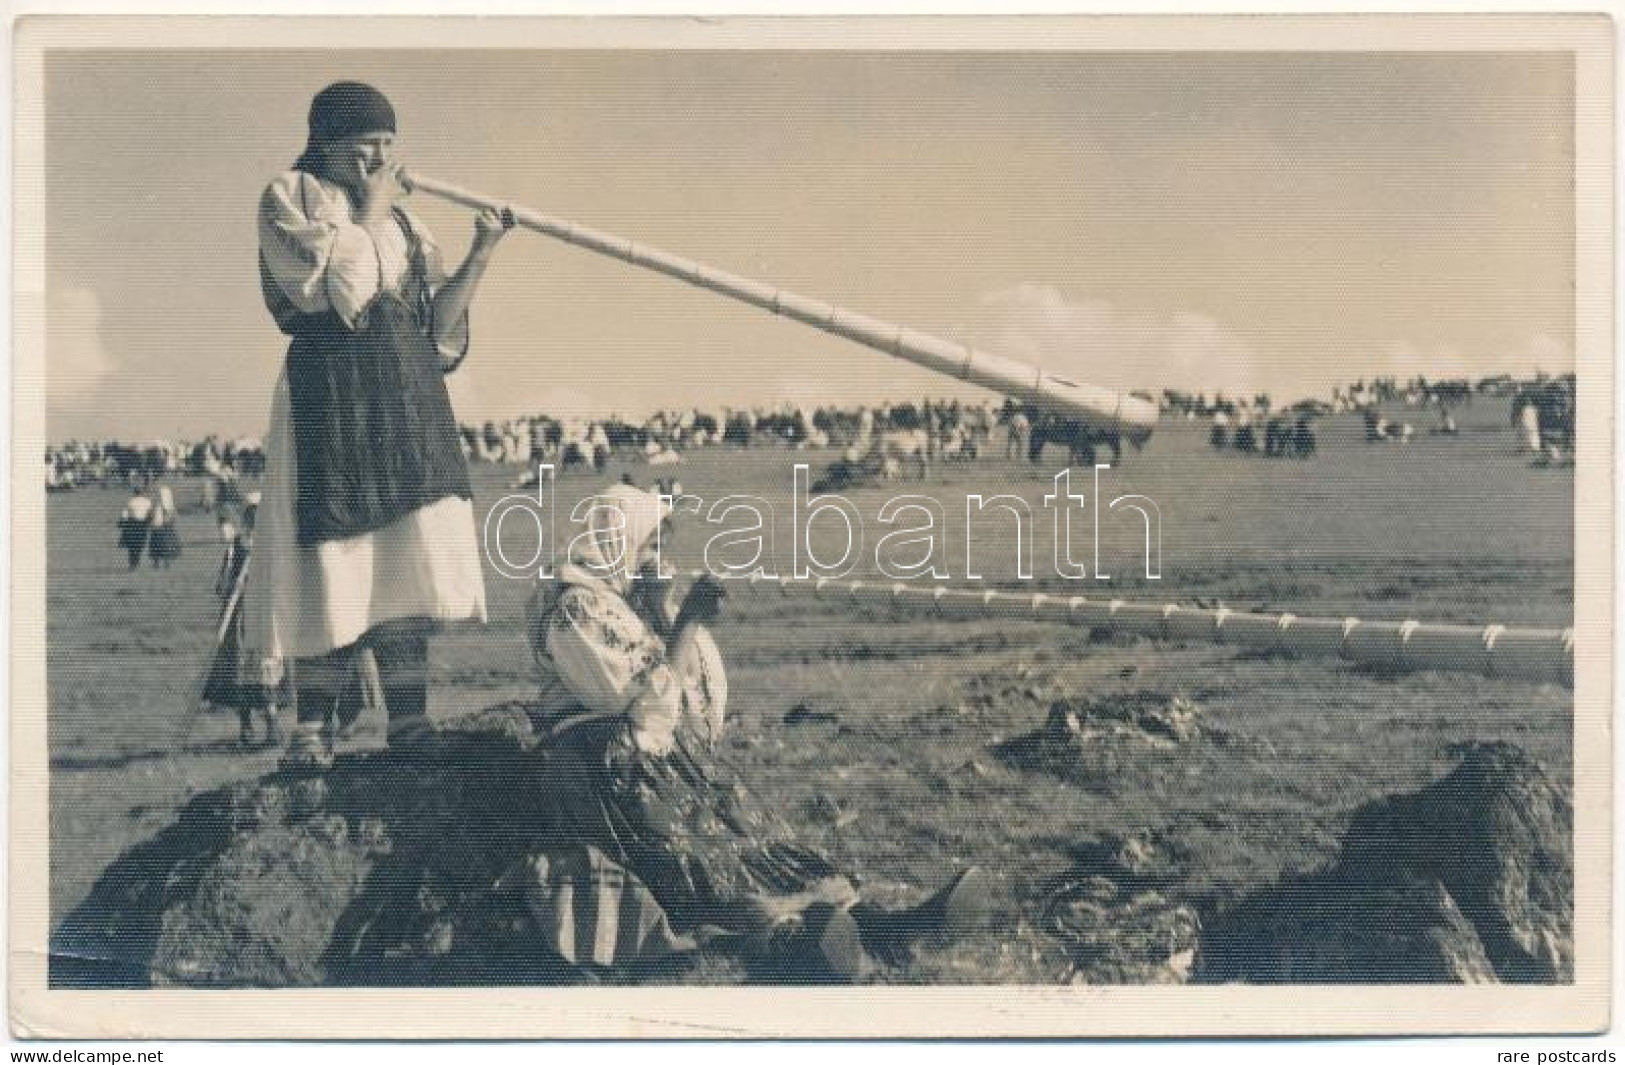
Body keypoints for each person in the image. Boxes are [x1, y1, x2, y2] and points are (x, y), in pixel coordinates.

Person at [524, 483, 990, 981]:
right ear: (620, 539)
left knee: (748, 836)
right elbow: (638, 696)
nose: (658, 558)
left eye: (661, 546)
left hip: (649, 757)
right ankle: (793, 943)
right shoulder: (575, 607)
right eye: (650, 544)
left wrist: (665, 613)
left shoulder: (622, 603)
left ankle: (878, 926)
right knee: (696, 859)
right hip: (604, 767)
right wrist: (684, 622)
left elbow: (689, 708)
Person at [243, 81, 515, 769]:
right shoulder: (292, 197)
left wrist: (482, 250)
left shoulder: (405, 226)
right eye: (367, 141)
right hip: (331, 393)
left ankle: (411, 722)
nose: (381, 154)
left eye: (389, 142)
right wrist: (372, 206)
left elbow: (436, 330)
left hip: (405, 397)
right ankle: (311, 730)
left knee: (404, 552)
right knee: (333, 550)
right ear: (327, 141)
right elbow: (350, 296)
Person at [116, 488, 153, 569]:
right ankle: (137, 560)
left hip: (132, 524)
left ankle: (132, 562)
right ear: (142, 493)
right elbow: (150, 514)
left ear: (134, 493)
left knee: (131, 545)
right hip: (143, 525)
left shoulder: (130, 501)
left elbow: (125, 514)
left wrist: (121, 522)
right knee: (139, 544)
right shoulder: (148, 501)